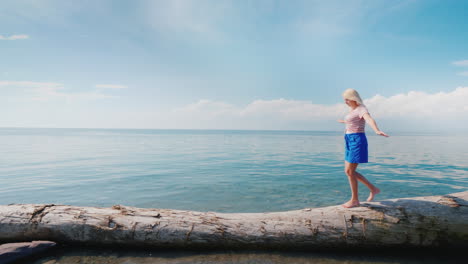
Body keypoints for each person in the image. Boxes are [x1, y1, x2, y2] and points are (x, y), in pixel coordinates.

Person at [337, 89, 389, 208]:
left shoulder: (362, 108)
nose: (345, 101)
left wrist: (376, 130)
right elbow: (354, 121)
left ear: (353, 98)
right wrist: (344, 122)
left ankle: (355, 200)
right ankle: (373, 189)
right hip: (349, 140)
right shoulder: (353, 110)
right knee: (348, 171)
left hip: (357, 140)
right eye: (344, 99)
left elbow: (369, 119)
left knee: (350, 171)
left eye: (347, 99)